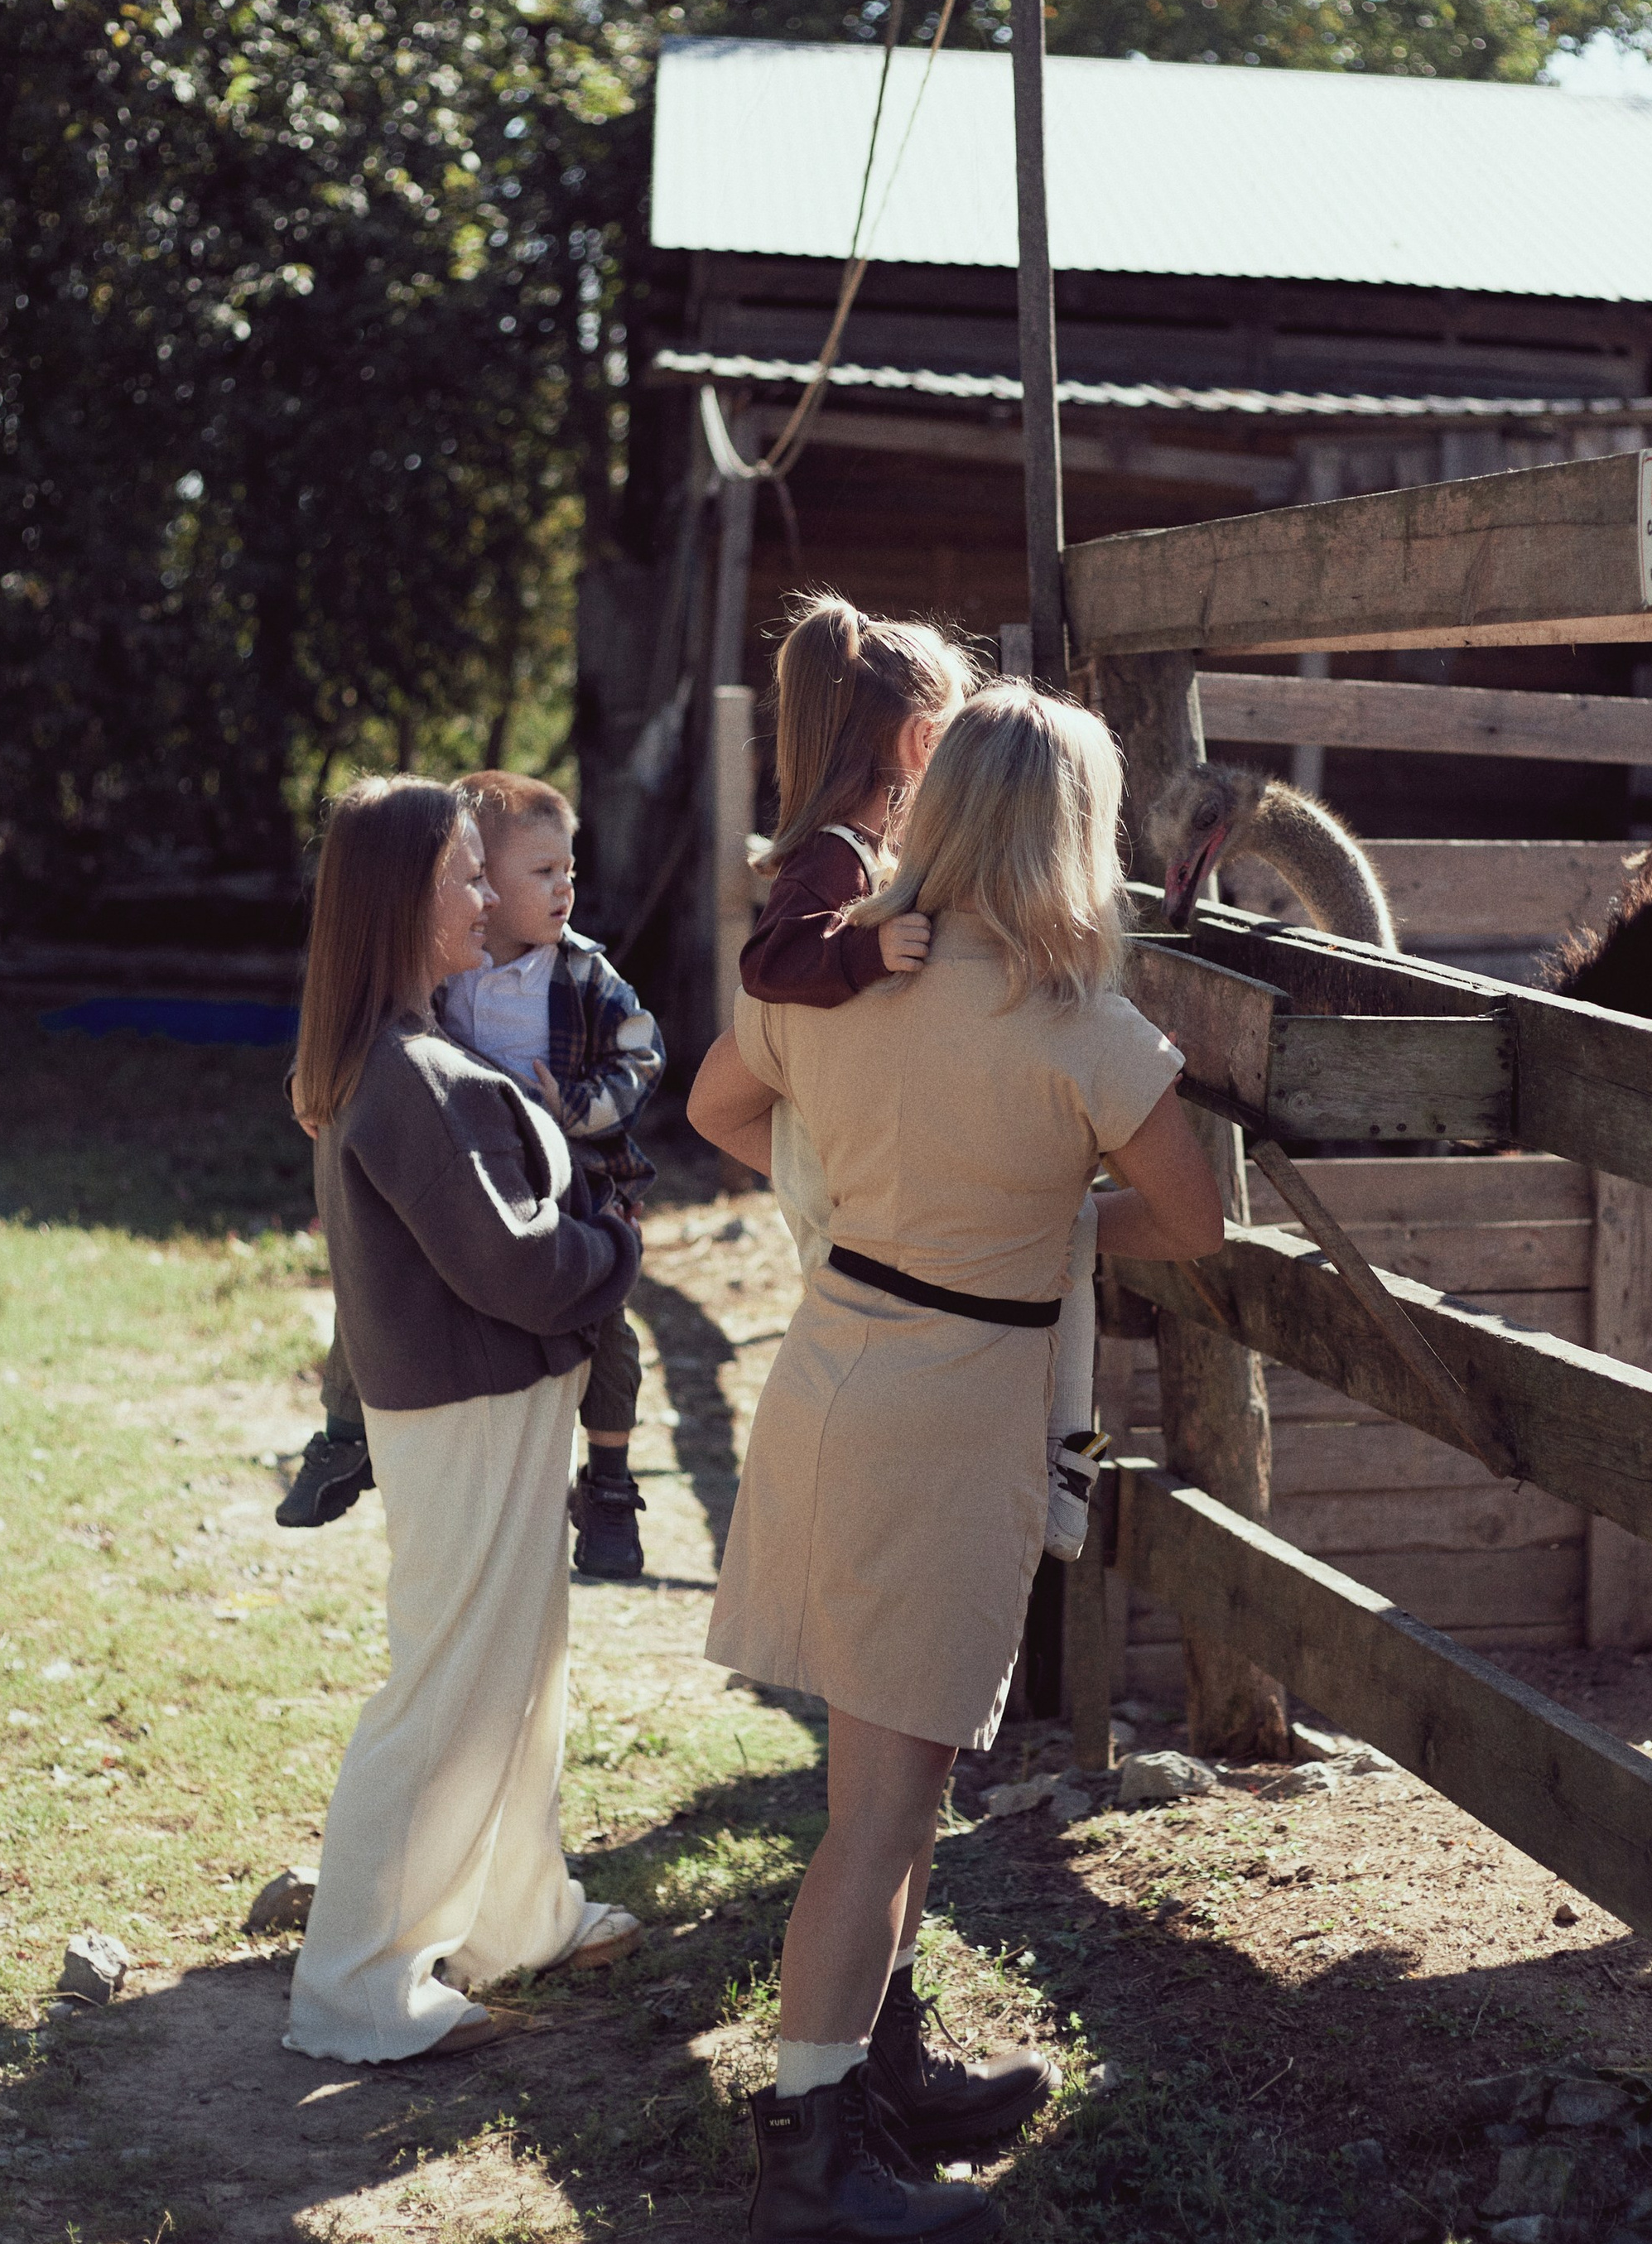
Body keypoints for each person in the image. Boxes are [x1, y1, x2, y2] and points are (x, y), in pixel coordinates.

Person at [689, 686, 1225, 2244]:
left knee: (890, 1794)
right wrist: (1049, 1217)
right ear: (1072, 829)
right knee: (881, 1813)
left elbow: (721, 1107)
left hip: (834, 1362)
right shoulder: (1086, 1031)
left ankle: (868, 2080)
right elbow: (1192, 1224)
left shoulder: (843, 975)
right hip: (954, 1411)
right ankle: (809, 2161)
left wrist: (866, 1189)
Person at [283, 776, 643, 2064]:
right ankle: (354, 1984)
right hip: (469, 1410)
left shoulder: (400, 1057)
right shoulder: (414, 1076)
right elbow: (513, 1267)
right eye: (465, 876)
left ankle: (516, 1916)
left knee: (519, 1669)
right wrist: (615, 1249)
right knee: (446, 1688)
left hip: (486, 1407)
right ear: (405, 900)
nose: (490, 897)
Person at [740, 595, 1105, 1558]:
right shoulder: (831, 860)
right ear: (917, 742)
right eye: (954, 728)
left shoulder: (880, 861)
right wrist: (866, 953)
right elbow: (765, 963)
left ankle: (1062, 1451)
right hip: (840, 1159)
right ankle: (1059, 1459)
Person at [278, 771, 666, 1586]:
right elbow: (378, 1032)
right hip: (481, 1192)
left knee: (613, 1342)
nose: (561, 890)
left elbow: (642, 1054)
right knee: (362, 1307)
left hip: (574, 1182)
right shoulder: (443, 986)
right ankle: (343, 1435)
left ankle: (608, 1482)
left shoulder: (583, 976)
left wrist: (582, 1108)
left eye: (569, 873)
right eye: (512, 875)